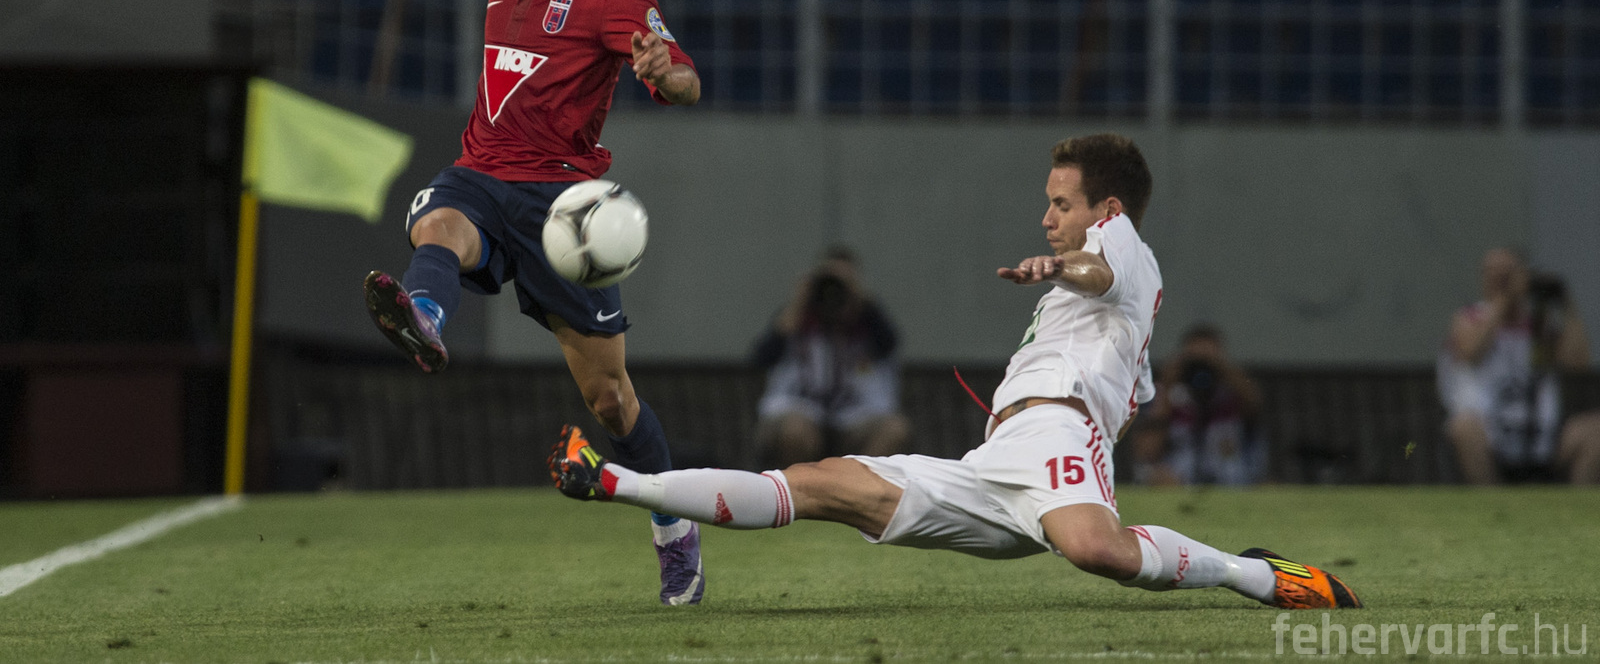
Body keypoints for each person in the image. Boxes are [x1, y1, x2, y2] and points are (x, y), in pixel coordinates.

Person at [549, 134, 1361, 610]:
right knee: (822, 484)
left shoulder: (1122, 248)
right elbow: (1132, 382)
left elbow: (1100, 272)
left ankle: (1259, 575)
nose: (1048, 217)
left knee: (1098, 552)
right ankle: (615, 482)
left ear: (1107, 211)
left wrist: (1061, 267)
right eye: (1049, 205)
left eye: (1062, 204)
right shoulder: (1113, 304)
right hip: (999, 459)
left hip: (1056, 434)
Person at [361, 0, 707, 605]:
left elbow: (684, 78)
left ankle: (674, 531)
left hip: (564, 211)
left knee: (610, 399)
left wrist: (664, 72)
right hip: (482, 176)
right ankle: (424, 315)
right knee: (437, 225)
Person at [1437, 247, 1600, 484]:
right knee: (1463, 428)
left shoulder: (1537, 325)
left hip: (1540, 435)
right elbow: (1471, 352)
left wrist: (1565, 303)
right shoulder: (1471, 317)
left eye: (1507, 273)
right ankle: (1493, 503)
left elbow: (1578, 362)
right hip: (1489, 434)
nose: (1498, 279)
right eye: (1491, 272)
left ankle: (1577, 502)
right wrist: (1504, 300)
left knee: (1595, 430)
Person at [750, 246, 909, 469]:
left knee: (894, 429)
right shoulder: (796, 317)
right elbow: (761, 357)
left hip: (854, 418)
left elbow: (889, 344)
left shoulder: (868, 319)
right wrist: (800, 300)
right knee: (796, 431)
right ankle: (803, 488)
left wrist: (863, 302)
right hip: (798, 411)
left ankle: (854, 487)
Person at [1130, 324, 1265, 486]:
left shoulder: (1233, 393)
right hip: (1180, 482)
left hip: (1232, 481)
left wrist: (1220, 366)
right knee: (1157, 477)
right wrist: (1169, 382)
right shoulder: (1171, 395)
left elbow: (1255, 404)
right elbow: (1147, 450)